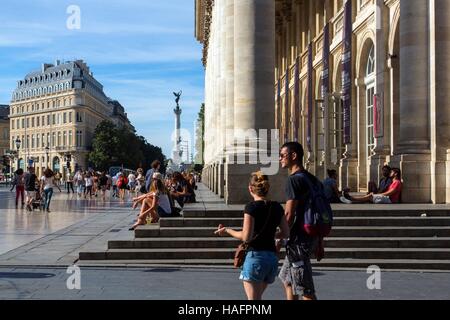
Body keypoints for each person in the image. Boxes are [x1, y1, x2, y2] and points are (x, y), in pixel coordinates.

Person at [215, 172, 289, 300]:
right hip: (271, 259)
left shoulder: (251, 207)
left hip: (256, 257)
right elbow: (286, 233)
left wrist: (227, 230)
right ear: (267, 188)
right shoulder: (277, 207)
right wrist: (270, 234)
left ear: (250, 188)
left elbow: (246, 237)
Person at [278, 141, 320, 300]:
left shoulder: (293, 180)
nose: (280, 158)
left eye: (282, 155)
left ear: (293, 156)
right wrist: (320, 242)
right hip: (311, 235)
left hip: (299, 240)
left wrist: (279, 238)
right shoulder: (313, 179)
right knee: (287, 278)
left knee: (305, 288)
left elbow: (288, 214)